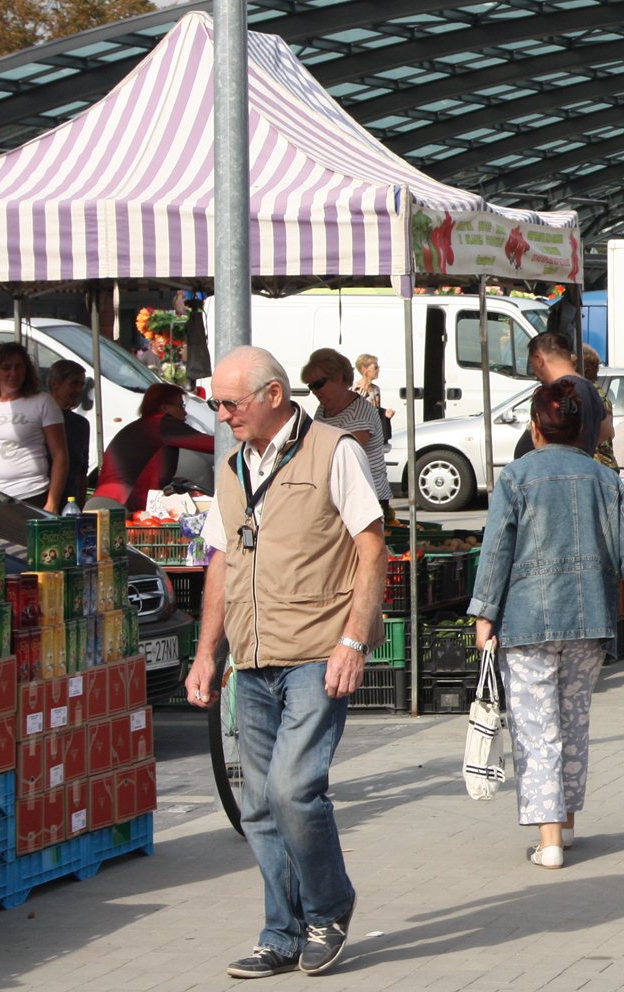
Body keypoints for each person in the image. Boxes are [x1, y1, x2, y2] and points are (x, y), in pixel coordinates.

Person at [182, 347, 387, 978]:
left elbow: (371, 545)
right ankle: (282, 931)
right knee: (259, 807)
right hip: (254, 656)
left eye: (230, 403)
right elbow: (220, 559)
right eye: (215, 404)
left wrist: (354, 641)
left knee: (294, 790)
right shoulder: (231, 467)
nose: (221, 415)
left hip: (316, 653)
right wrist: (205, 654)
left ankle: (329, 908)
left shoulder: (333, 448)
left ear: (273, 395)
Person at [470, 380, 624, 870]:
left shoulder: (515, 477)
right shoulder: (604, 480)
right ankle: (570, 823)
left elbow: (496, 550)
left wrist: (483, 612)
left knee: (537, 729)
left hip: (526, 620)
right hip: (589, 619)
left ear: (536, 428)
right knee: (573, 720)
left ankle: (550, 838)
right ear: (583, 430)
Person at [94, 383, 216, 512]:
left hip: (105, 500)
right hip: (121, 503)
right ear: (165, 408)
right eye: (181, 406)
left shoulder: (143, 426)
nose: (184, 412)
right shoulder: (161, 424)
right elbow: (212, 445)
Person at [0, 341, 67, 512]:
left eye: (19, 367)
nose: (13, 373)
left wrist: (52, 503)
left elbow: (61, 456)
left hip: (30, 494)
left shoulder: (42, 402)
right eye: (6, 367)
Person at [302, 349, 392, 505]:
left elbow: (343, 454)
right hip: (338, 495)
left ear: (337, 378)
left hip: (366, 498)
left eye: (318, 384)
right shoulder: (324, 408)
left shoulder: (360, 411)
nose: (315, 391)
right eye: (311, 386)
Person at [513, 333, 609, 461]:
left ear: (538, 360)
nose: (534, 372)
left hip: (549, 472)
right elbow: (606, 431)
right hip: (580, 466)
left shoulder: (558, 391)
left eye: (532, 365)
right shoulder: (591, 389)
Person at [46, 359, 92, 505]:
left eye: (81, 384)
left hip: (69, 506)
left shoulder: (81, 424)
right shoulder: (38, 419)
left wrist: (81, 507)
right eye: (74, 383)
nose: (79, 390)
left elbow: (82, 473)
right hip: (42, 501)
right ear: (55, 384)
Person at [352, 354, 394, 442]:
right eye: (375, 367)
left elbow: (376, 410)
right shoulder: (355, 390)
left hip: (375, 433)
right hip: (361, 434)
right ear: (364, 369)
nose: (378, 370)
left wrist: (385, 414)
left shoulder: (376, 389)